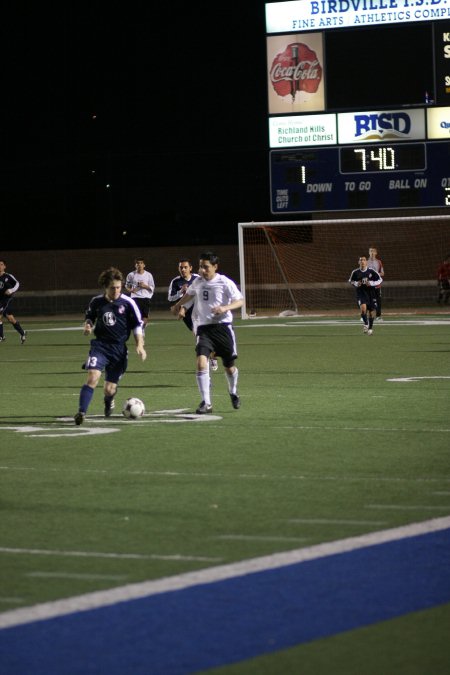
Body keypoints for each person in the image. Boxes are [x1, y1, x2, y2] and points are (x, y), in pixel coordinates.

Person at [170, 251, 243, 414]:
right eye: (201, 266)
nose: (202, 270)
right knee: (201, 363)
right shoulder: (198, 282)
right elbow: (189, 295)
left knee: (229, 367)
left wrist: (225, 307)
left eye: (206, 267)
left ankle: (233, 391)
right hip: (204, 330)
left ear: (215, 267)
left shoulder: (224, 282)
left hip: (223, 328)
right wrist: (178, 305)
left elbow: (240, 300)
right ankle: (206, 403)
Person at [74, 267, 147, 425]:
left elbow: (137, 326)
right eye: (112, 288)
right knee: (93, 376)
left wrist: (140, 345)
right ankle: (81, 412)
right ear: (105, 287)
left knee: (109, 389)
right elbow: (89, 318)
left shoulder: (128, 303)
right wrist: (88, 325)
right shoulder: (97, 302)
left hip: (119, 350)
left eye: (119, 287)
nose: (116, 290)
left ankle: (108, 401)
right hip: (100, 346)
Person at [168, 259, 219, 371]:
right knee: (199, 337)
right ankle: (206, 360)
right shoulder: (175, 282)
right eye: (181, 267)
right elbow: (170, 298)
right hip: (188, 315)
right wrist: (180, 293)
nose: (183, 269)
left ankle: (211, 358)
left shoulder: (198, 278)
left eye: (185, 267)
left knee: (205, 337)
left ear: (190, 268)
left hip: (202, 312)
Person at [349, 255, 382, 336]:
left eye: (364, 260)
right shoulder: (355, 272)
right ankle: (366, 324)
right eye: (361, 260)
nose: (362, 261)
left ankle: (370, 328)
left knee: (371, 312)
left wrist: (371, 283)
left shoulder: (371, 271)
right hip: (361, 293)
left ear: (366, 262)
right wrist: (356, 283)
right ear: (359, 262)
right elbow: (351, 281)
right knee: (363, 309)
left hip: (371, 293)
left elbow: (380, 279)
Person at [0, 259, 26, 344]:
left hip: (7, 299)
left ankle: (1, 336)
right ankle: (23, 333)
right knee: (10, 318)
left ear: (4, 266)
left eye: (1, 264)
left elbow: (17, 283)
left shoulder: (8, 276)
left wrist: (11, 290)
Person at [125, 257, 155, 331]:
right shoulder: (131, 275)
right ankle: (139, 332)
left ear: (144, 265)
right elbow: (127, 286)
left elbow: (152, 287)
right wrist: (131, 290)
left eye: (141, 263)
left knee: (145, 318)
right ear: (135, 265)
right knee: (136, 316)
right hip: (135, 298)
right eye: (137, 263)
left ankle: (142, 329)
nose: (139, 265)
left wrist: (144, 286)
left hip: (145, 298)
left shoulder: (148, 275)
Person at [367, 246, 384, 320]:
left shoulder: (379, 262)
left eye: (373, 251)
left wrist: (376, 274)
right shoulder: (365, 262)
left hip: (377, 285)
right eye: (371, 251)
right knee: (368, 300)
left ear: (376, 253)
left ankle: (378, 316)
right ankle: (368, 315)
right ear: (369, 252)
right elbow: (362, 272)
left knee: (378, 300)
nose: (372, 253)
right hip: (368, 285)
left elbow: (382, 273)